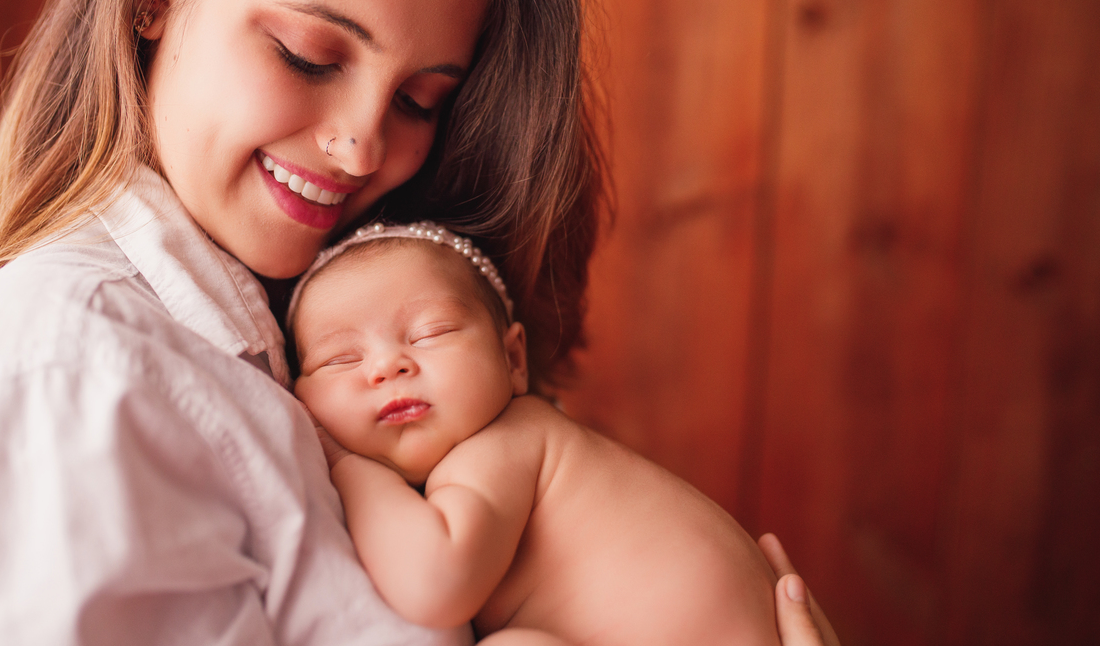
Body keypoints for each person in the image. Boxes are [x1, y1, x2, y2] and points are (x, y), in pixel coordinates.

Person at [0, 0, 837, 643]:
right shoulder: (72, 377)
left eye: (421, 101)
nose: (362, 145)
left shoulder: (312, 361)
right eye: (308, 54)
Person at [290, 222, 782, 644]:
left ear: (513, 360)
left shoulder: (510, 440)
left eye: (431, 333)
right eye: (341, 360)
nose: (387, 366)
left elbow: (432, 583)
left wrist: (347, 467)